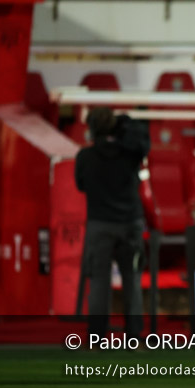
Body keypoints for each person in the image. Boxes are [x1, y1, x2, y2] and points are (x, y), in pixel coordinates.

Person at [75, 107, 150, 337]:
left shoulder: (85, 157)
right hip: (130, 223)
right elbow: (144, 139)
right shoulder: (129, 155)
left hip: (100, 224)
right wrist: (123, 122)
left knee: (99, 281)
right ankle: (134, 335)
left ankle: (97, 335)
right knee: (132, 280)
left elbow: (80, 185)